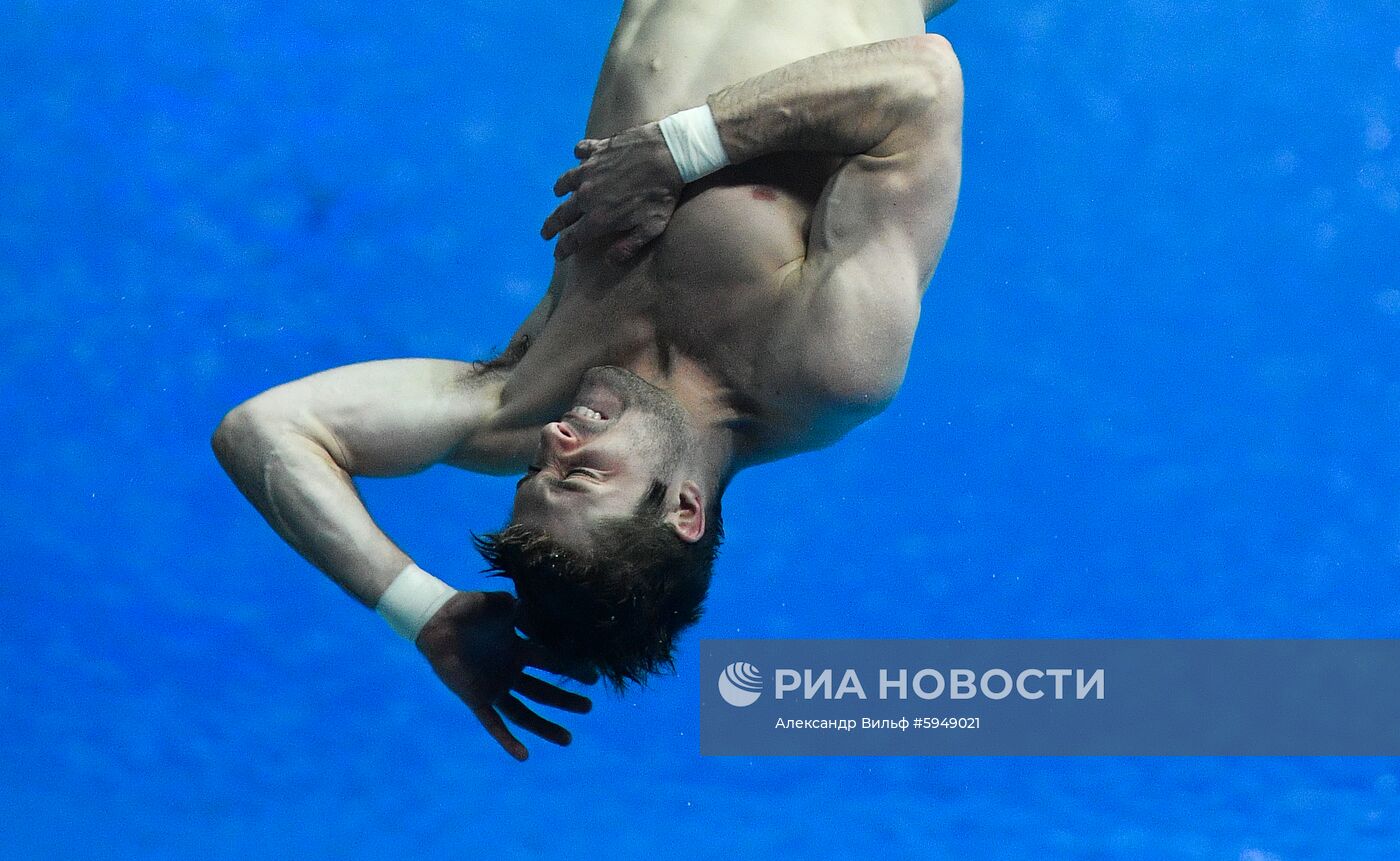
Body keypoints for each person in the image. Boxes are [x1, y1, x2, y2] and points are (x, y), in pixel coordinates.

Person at [213, 0, 964, 761]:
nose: (551, 438)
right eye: (576, 475)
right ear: (685, 509)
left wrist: (423, 609)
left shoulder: (524, 397)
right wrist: (678, 151)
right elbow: (926, 82)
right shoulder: (828, 368)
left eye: (536, 469)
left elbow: (263, 430)